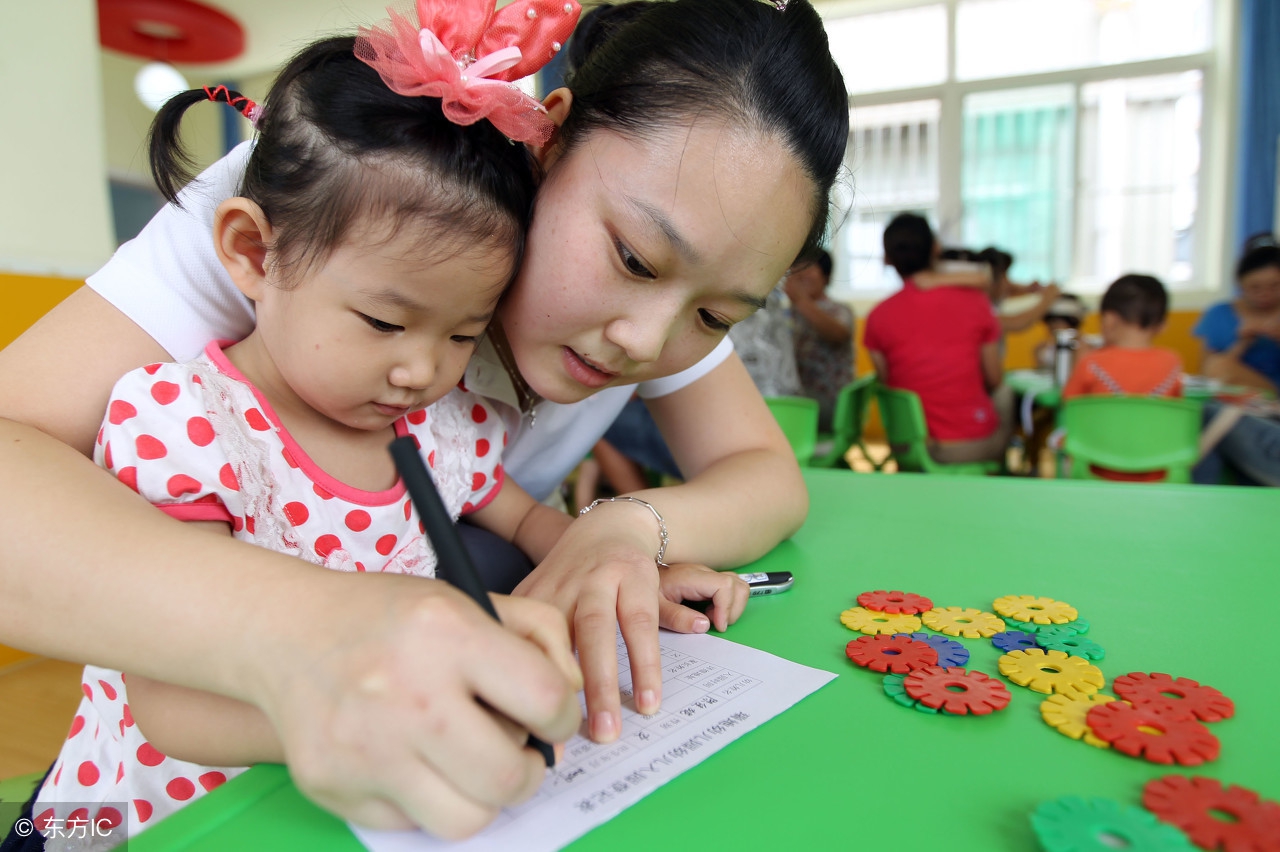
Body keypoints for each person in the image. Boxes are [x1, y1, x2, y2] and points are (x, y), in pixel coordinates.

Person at [0, 0, 849, 839]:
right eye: (631, 258)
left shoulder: (664, 282)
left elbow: (765, 474)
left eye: (715, 316)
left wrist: (621, 530)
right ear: (546, 139)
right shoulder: (347, 193)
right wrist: (310, 632)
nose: (646, 340)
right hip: (143, 795)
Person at [864, 213, 1012, 466]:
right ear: (936, 250)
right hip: (968, 447)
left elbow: (888, 381)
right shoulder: (976, 303)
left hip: (908, 445)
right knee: (1005, 392)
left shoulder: (877, 317)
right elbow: (994, 379)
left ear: (887, 259)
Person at [1061, 274, 1184, 482]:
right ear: (1162, 325)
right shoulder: (1173, 363)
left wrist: (1079, 361)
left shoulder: (1091, 363)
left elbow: (1069, 406)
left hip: (1098, 469)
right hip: (1158, 470)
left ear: (1108, 321)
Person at [1194, 233, 1280, 395]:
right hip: (1235, 396)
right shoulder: (1219, 314)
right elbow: (1208, 373)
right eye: (1255, 288)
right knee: (1218, 365)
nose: (1265, 294)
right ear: (1240, 284)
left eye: (1274, 287)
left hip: (1274, 393)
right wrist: (1242, 342)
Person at [785, 247, 853, 431]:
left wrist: (800, 300)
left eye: (809, 268)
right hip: (801, 398)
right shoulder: (787, 314)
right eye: (797, 268)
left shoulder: (838, 310)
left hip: (831, 404)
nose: (801, 274)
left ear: (826, 276)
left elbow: (838, 335)